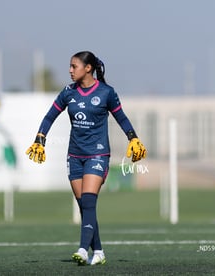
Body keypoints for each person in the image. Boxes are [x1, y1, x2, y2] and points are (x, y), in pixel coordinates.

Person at [25, 51, 146, 266]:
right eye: (70, 67)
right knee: (84, 206)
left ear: (88, 68)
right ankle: (98, 251)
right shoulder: (68, 92)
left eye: (74, 66)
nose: (70, 71)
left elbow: (122, 118)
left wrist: (133, 139)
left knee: (89, 201)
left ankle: (83, 249)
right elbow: (50, 116)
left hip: (98, 153)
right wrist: (40, 138)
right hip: (74, 155)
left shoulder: (106, 92)